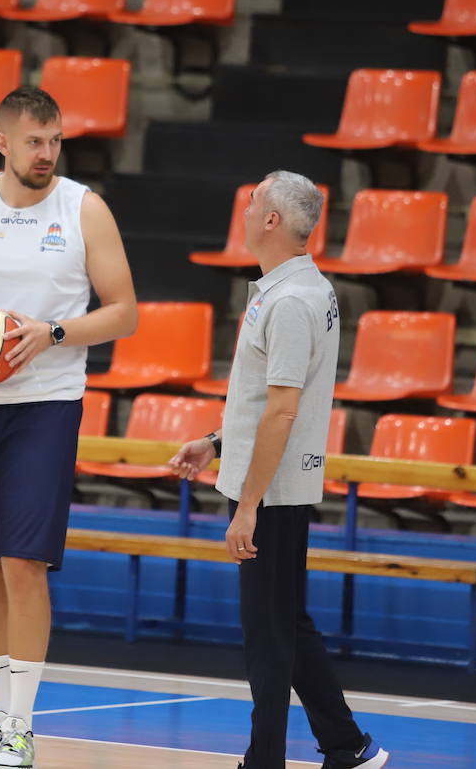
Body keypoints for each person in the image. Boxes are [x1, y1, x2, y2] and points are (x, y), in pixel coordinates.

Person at [0, 87, 137, 769]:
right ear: (3, 142)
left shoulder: (83, 209)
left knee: (24, 564)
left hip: (45, 405)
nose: (48, 154)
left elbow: (125, 312)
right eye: (35, 141)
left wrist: (55, 333)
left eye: (56, 141)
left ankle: (23, 728)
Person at [170, 171, 389, 769]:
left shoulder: (291, 300)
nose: (242, 210)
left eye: (251, 202)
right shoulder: (292, 288)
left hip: (272, 491)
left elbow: (285, 409)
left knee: (267, 636)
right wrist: (217, 441)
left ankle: (263, 760)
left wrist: (246, 505)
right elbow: (267, 401)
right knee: (284, 623)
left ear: (270, 220)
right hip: (275, 480)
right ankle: (348, 746)